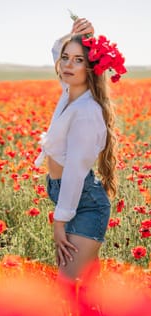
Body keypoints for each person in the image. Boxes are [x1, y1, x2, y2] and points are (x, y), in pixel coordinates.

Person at [35, 17, 122, 279]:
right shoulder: (70, 92)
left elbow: (74, 170)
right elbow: (56, 50)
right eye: (66, 58)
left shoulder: (86, 111)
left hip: (84, 203)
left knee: (67, 288)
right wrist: (76, 35)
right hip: (69, 196)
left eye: (79, 60)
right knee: (84, 289)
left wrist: (59, 223)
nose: (68, 64)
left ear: (91, 67)